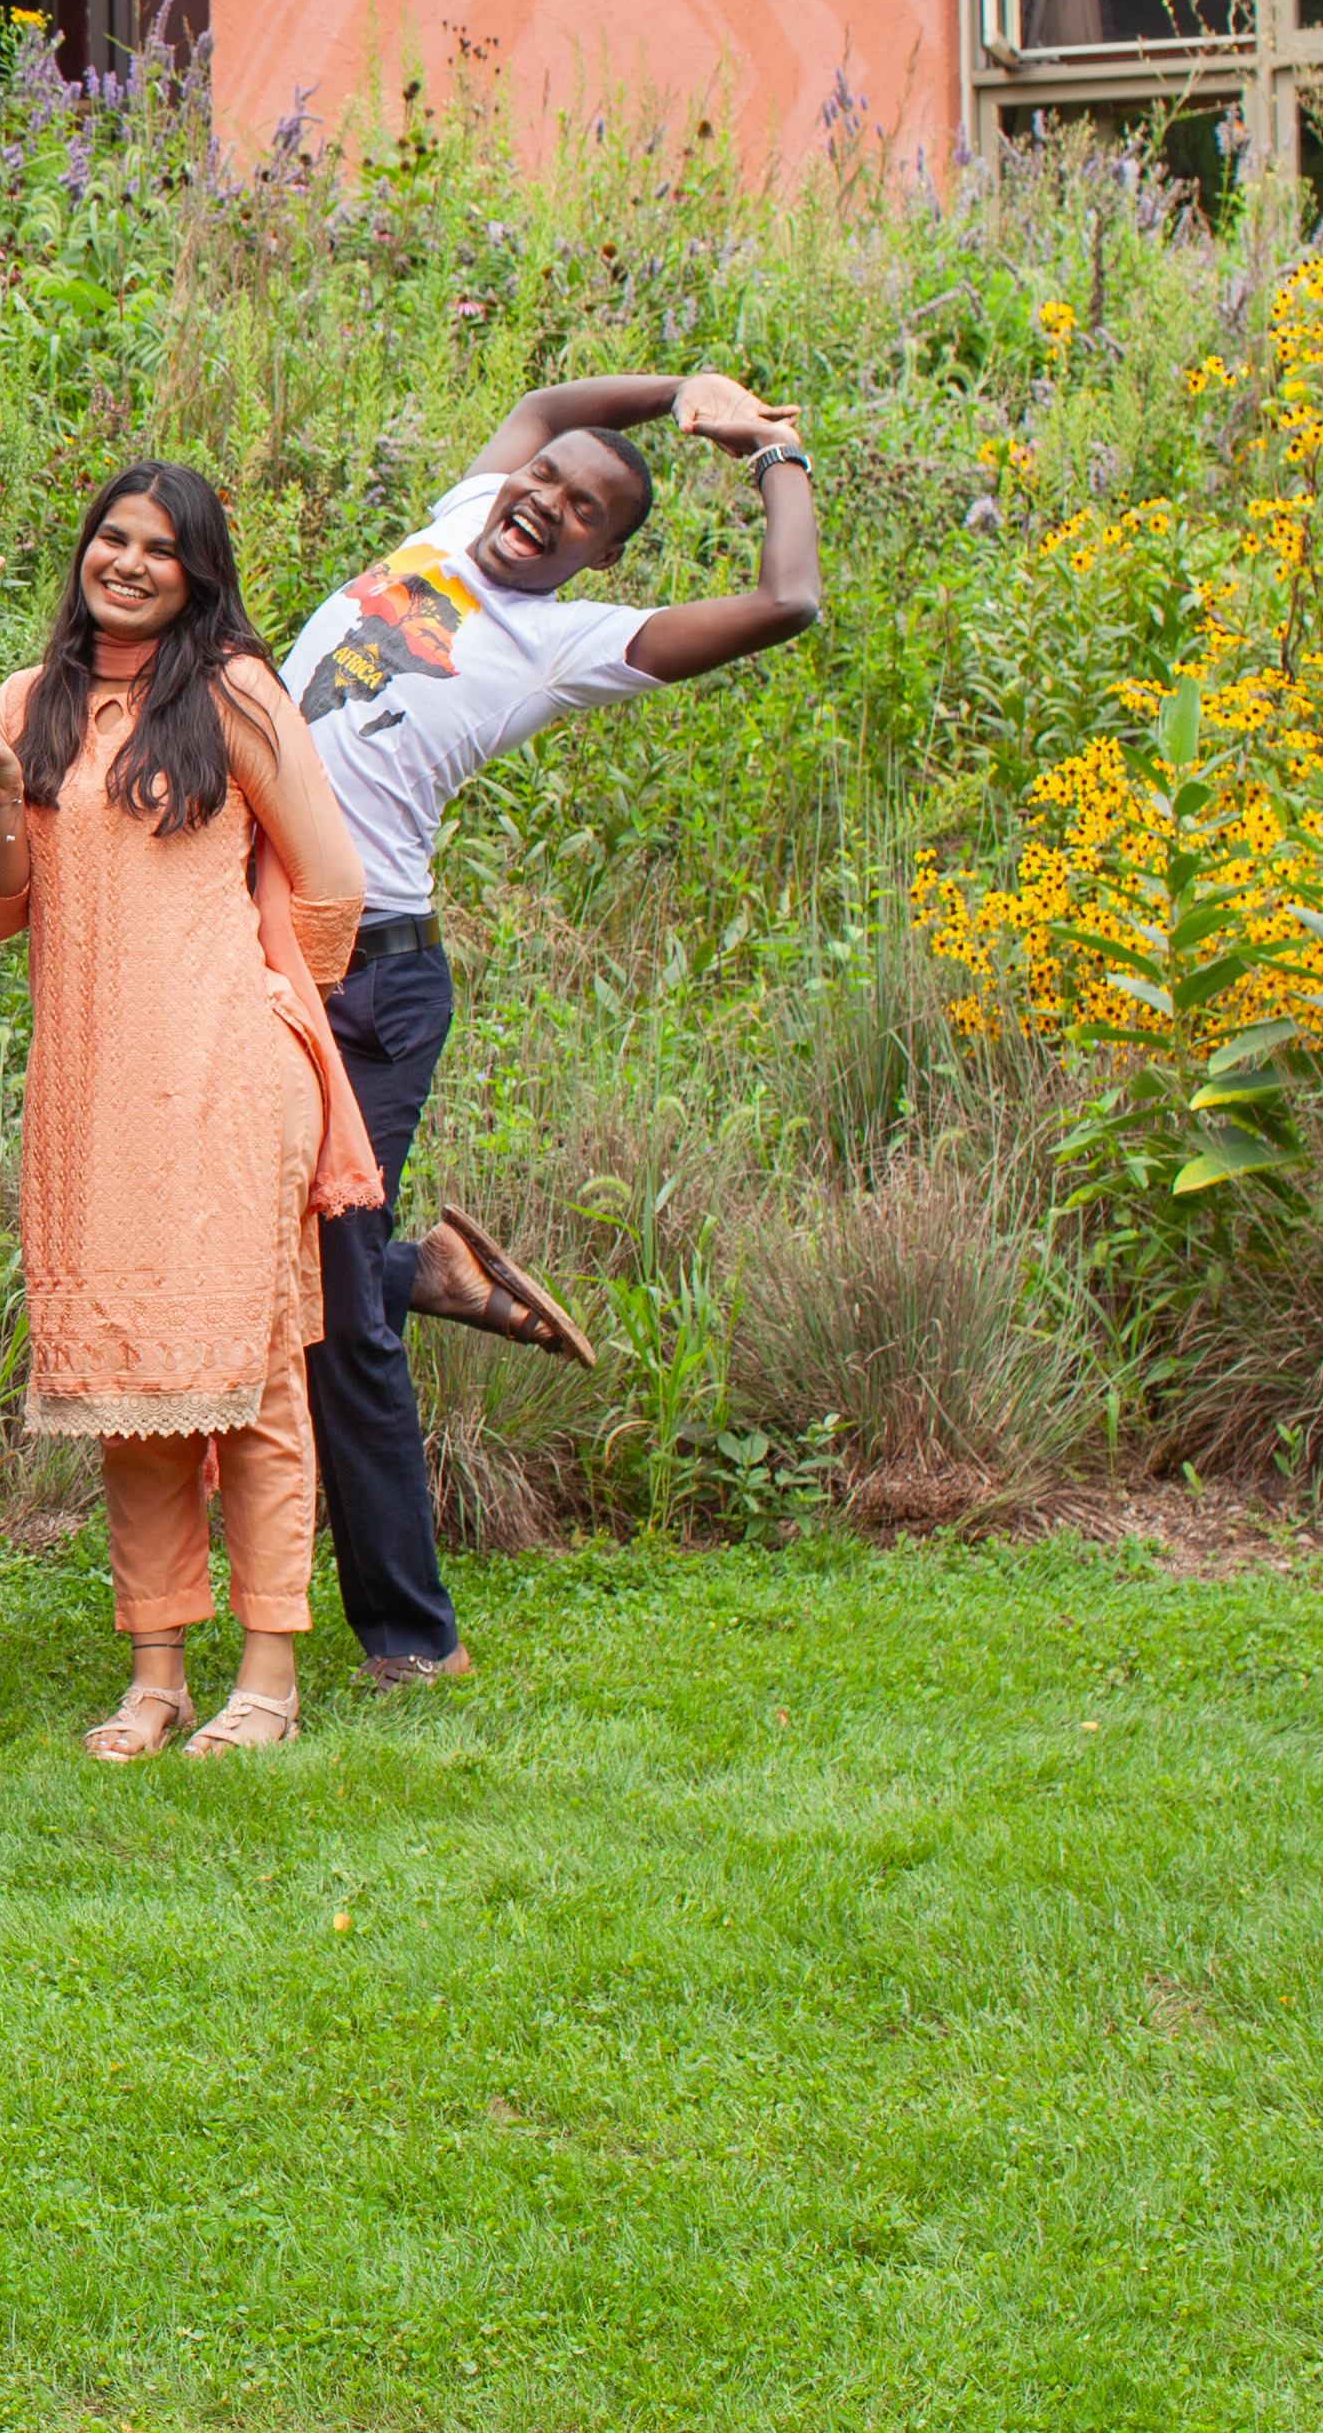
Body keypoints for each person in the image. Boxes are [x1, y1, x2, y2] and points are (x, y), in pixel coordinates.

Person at [279, 370, 823, 1689]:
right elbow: (541, 397)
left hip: (370, 981)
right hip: (267, 948)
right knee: (259, 1248)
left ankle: (413, 1639)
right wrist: (683, 388)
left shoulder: (566, 643)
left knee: (336, 1307)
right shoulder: (465, 500)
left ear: (597, 555)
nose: (545, 506)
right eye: (546, 484)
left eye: (581, 512)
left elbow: (786, 603)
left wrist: (773, 453)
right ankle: (436, 1277)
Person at [0, 464, 377, 1762]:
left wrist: (253, 1000)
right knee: (127, 1386)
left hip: (225, 1082)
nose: (125, 561)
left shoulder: (233, 690)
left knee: (246, 1382)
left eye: (157, 547)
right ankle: (154, 1674)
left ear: (196, 569)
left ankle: (268, 1669)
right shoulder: (33, 700)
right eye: (109, 538)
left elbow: (332, 887)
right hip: (88, 1092)